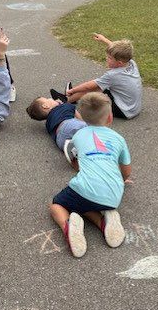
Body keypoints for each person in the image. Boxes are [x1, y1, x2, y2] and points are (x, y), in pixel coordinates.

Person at [50, 93, 131, 258]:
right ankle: (105, 221)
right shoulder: (119, 139)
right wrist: (121, 181)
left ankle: (68, 227)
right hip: (114, 196)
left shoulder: (79, 135)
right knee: (87, 204)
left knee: (56, 205)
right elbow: (127, 170)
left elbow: (72, 156)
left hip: (84, 189)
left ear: (81, 117)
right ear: (110, 117)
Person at [52, 33, 142, 120]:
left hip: (123, 111)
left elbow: (89, 85)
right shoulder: (131, 63)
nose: (106, 58)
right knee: (100, 88)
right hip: (134, 108)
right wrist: (104, 40)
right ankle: (70, 99)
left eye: (110, 58)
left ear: (119, 63)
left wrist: (72, 90)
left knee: (96, 89)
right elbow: (119, 52)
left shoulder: (113, 75)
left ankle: (64, 100)